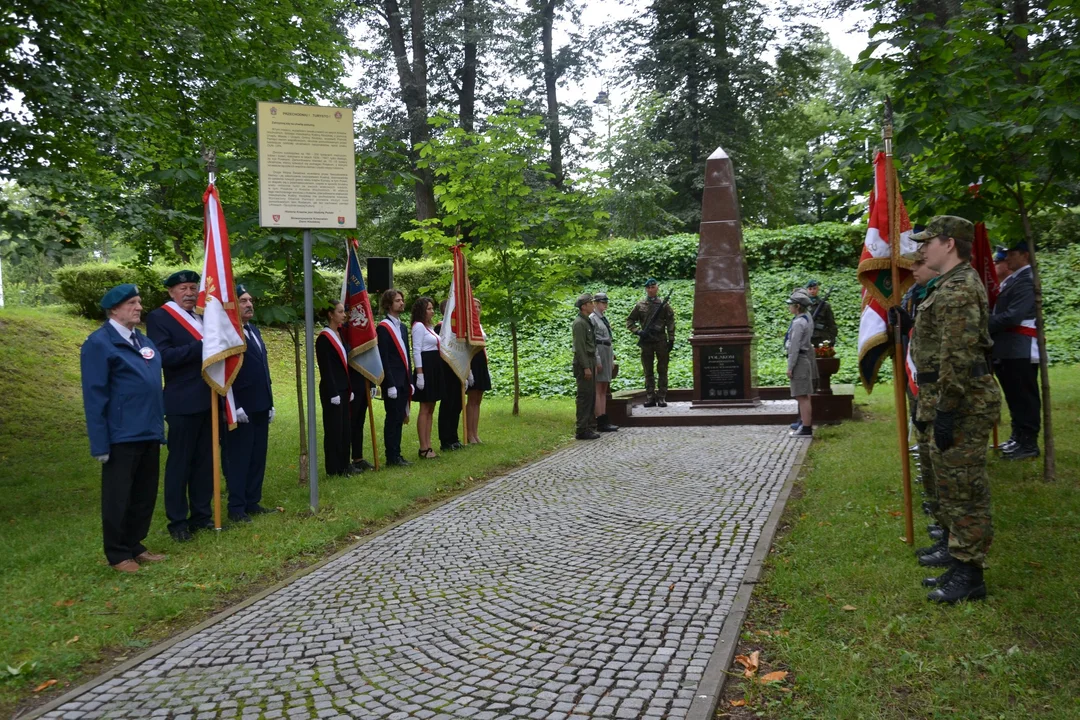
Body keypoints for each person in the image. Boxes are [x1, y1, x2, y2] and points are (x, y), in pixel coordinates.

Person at [909, 215, 999, 604]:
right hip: (945, 398)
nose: (922, 248)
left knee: (964, 487)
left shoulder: (960, 287)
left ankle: (971, 573)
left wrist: (946, 409)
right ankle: (958, 556)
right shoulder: (946, 284)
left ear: (948, 244)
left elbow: (957, 356)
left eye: (928, 241)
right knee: (949, 483)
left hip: (962, 401)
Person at [81, 284, 167, 572]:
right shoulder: (99, 343)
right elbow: (95, 396)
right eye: (132, 303)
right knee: (119, 495)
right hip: (121, 434)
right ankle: (118, 553)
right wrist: (100, 443)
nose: (139, 307)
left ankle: (135, 544)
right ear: (114, 309)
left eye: (139, 302)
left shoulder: (142, 341)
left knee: (144, 494)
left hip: (149, 429)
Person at [146, 270, 214, 542]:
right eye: (183, 288)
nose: (189, 293)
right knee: (180, 464)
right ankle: (177, 522)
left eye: (193, 287)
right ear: (171, 292)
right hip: (182, 401)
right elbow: (164, 357)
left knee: (204, 463)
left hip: (209, 397)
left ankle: (201, 516)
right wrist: (202, 346)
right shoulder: (160, 317)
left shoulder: (202, 315)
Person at [891, 249, 942, 541]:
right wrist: (902, 327)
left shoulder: (949, 293)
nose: (912, 268)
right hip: (921, 381)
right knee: (926, 443)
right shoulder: (917, 293)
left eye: (920, 262)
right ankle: (936, 506)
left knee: (942, 454)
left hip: (937, 388)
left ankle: (945, 520)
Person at [224, 285, 274, 522]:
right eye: (243, 300)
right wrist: (235, 405)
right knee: (239, 457)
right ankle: (237, 506)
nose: (249, 304)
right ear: (232, 305)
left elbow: (261, 368)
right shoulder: (228, 334)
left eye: (250, 300)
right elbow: (226, 372)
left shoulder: (253, 330)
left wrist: (270, 401)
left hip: (261, 403)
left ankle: (252, 500)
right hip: (241, 406)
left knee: (257, 455)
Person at [989, 240, 1041, 460]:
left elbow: (1013, 316)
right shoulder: (1016, 278)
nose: (1006, 259)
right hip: (1009, 347)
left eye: (1011, 254)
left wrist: (984, 324)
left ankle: (1028, 442)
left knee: (1024, 397)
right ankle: (1017, 437)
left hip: (1020, 347)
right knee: (1013, 395)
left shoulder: (1027, 280)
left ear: (1025, 256)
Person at [315, 301, 353, 477]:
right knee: (333, 429)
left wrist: (349, 387)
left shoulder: (340, 334)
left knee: (345, 428)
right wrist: (333, 392)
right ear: (330, 314)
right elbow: (326, 368)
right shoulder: (324, 338)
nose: (344, 315)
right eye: (340, 312)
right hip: (332, 390)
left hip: (344, 387)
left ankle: (344, 465)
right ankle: (333, 467)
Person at [625, 278, 675, 407]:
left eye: (653, 287)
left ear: (657, 288)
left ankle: (662, 396)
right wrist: (638, 332)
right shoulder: (640, 305)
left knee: (662, 369)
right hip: (646, 341)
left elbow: (670, 321)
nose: (651, 290)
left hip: (660, 341)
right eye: (648, 288)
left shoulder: (664, 305)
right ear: (646, 289)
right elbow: (630, 321)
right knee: (648, 370)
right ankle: (650, 396)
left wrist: (671, 338)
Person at [377, 288, 412, 466]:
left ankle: (397, 454)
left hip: (404, 379)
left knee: (399, 418)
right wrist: (389, 383)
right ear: (389, 304)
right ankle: (391, 456)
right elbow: (384, 358)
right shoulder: (383, 328)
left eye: (402, 300)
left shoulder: (403, 327)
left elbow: (407, 355)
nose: (401, 303)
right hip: (392, 382)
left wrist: (410, 380)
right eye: (398, 300)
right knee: (392, 418)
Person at [411, 296, 442, 459]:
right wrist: (420, 374)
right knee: (425, 407)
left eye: (432, 308)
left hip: (435, 367)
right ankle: (423, 447)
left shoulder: (428, 327)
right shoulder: (418, 327)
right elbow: (416, 350)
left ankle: (429, 444)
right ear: (421, 311)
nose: (432, 311)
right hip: (426, 367)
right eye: (429, 309)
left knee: (431, 407)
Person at [434, 300, 467, 452]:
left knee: (457, 405)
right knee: (447, 406)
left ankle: (454, 437)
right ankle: (445, 440)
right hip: (446, 372)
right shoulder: (440, 327)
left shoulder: (457, 329)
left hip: (458, 371)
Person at [784, 289, 816, 438]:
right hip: (804, 359)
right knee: (804, 395)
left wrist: (790, 366)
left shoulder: (798, 323)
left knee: (802, 396)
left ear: (797, 307)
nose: (789, 307)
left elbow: (794, 347)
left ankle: (806, 428)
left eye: (791, 304)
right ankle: (805, 424)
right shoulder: (806, 319)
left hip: (799, 361)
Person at [573, 293, 600, 440]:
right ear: (584, 306)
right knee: (584, 396)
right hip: (584, 362)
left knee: (590, 395)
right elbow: (580, 348)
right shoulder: (579, 323)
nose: (593, 305)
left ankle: (588, 426)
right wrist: (586, 367)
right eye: (590, 303)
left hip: (589, 360)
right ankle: (581, 428)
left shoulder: (586, 321)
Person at [590, 292, 618, 432]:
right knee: (598, 388)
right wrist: (597, 360)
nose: (604, 304)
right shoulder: (593, 319)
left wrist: (611, 356)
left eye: (606, 302)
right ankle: (600, 419)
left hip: (606, 351)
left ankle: (603, 417)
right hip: (600, 351)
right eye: (602, 302)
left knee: (604, 387)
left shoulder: (603, 318)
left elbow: (609, 339)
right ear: (595, 303)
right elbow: (593, 342)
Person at [466, 299, 491, 445]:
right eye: (474, 307)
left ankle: (475, 432)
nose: (477, 309)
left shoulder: (479, 325)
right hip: (473, 360)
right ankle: (469, 433)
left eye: (478, 307)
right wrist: (468, 370)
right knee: (472, 398)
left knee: (478, 399)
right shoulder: (468, 326)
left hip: (481, 360)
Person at [348, 363, 377, 474]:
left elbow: (370, 360)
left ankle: (358, 458)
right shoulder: (347, 344)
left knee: (359, 422)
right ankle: (345, 461)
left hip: (365, 383)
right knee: (351, 422)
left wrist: (373, 383)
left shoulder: (367, 344)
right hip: (352, 381)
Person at [806, 280, 837, 348]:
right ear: (807, 290)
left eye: (814, 288)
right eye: (810, 289)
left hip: (821, 337)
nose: (812, 291)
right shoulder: (803, 305)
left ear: (818, 289)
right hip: (807, 337)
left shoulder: (825, 305)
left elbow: (831, 323)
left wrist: (832, 338)